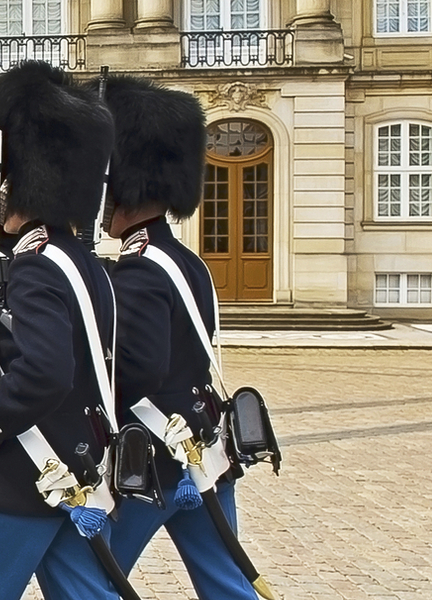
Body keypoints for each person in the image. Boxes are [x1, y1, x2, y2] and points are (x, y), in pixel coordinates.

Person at [0, 61, 122, 600]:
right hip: (80, 461)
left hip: (28, 472)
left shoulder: (35, 263)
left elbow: (45, 371)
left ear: (8, 183)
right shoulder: (83, 261)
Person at [91, 75, 258, 599]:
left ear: (124, 191)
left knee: (93, 578)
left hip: (155, 458)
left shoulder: (139, 269)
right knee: (226, 581)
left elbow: (139, 368)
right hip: (203, 447)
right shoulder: (186, 260)